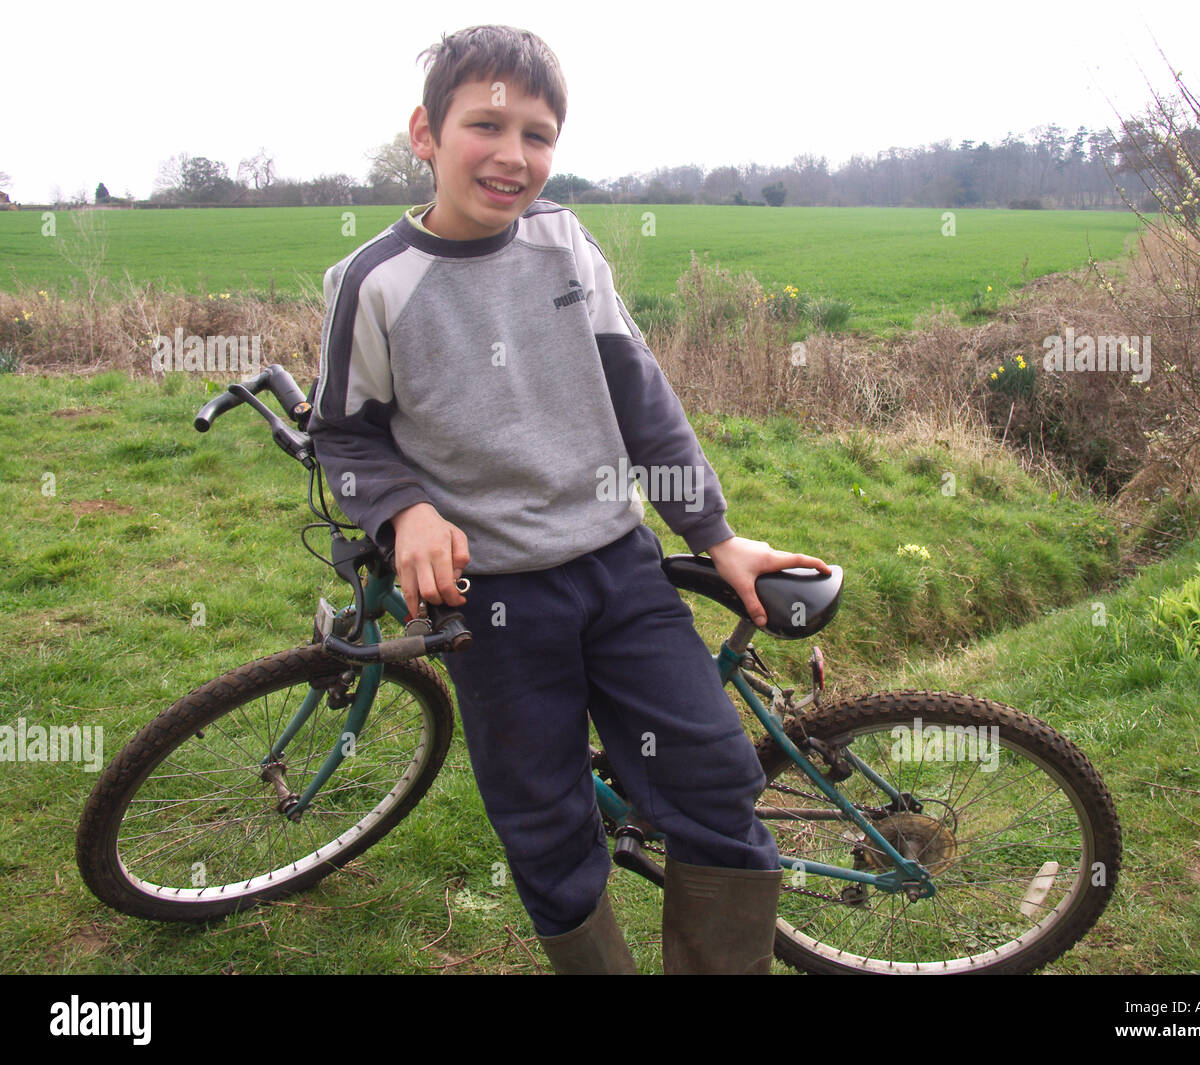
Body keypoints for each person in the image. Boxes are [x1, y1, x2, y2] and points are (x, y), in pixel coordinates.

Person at [306, 24, 830, 974]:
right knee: (546, 826)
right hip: (493, 604)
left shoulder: (563, 240)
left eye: (538, 135)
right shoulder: (373, 284)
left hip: (618, 569)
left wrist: (715, 534)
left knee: (716, 784)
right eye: (488, 125)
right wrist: (405, 511)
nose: (513, 156)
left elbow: (642, 397)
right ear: (425, 132)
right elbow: (342, 435)